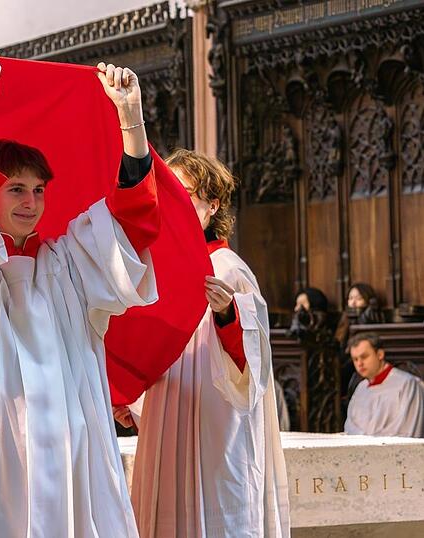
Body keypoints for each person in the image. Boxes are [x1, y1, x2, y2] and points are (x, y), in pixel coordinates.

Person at [0, 51, 161, 536]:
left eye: (39, 190)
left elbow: (133, 224)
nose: (30, 202)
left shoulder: (67, 262)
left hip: (68, 441)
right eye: (15, 189)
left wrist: (131, 124)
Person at [121, 149, 290, 537]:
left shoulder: (230, 268)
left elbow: (252, 369)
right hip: (170, 414)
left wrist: (229, 315)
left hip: (217, 430)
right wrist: (131, 397)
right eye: (167, 195)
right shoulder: (158, 264)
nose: (173, 205)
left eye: (185, 194)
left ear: (211, 206)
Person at [344, 332, 424, 437]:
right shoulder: (360, 388)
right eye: (355, 359)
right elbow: (350, 426)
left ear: (380, 354)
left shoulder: (407, 384)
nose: (360, 364)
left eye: (364, 357)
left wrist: (371, 445)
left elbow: (406, 430)